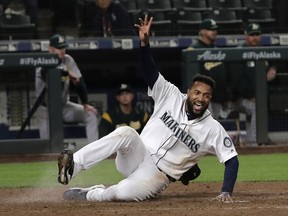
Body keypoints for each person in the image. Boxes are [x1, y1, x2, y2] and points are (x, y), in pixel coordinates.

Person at [57, 15, 239, 202]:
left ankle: (92, 194)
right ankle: (73, 165)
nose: (200, 98)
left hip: (157, 176)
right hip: (138, 153)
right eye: (197, 93)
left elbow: (232, 159)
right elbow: (149, 71)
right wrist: (144, 44)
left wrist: (226, 191)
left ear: (210, 99)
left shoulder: (212, 128)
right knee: (125, 132)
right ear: (189, 92)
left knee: (121, 194)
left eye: (206, 95)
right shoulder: (171, 95)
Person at [35, 34, 99, 144]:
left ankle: (93, 153)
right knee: (46, 146)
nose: (62, 51)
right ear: (50, 48)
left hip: (64, 107)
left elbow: (79, 81)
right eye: (58, 48)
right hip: (45, 110)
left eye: (63, 47)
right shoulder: (43, 60)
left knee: (91, 115)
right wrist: (66, 72)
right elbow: (46, 72)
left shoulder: (68, 60)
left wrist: (85, 103)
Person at [230, 23, 277, 145]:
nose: (255, 38)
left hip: (259, 97)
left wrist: (273, 68)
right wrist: (251, 96)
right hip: (240, 99)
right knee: (254, 107)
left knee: (259, 105)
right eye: (252, 35)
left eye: (257, 34)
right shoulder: (239, 52)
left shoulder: (264, 51)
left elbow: (274, 61)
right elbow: (237, 81)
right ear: (246, 36)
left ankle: (262, 138)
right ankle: (253, 143)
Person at [186, 19, 234, 120]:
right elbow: (192, 78)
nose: (214, 32)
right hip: (202, 98)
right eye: (211, 29)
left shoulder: (217, 50)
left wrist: (225, 97)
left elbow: (223, 76)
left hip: (217, 98)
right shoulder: (193, 49)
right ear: (202, 31)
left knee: (212, 128)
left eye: (215, 29)